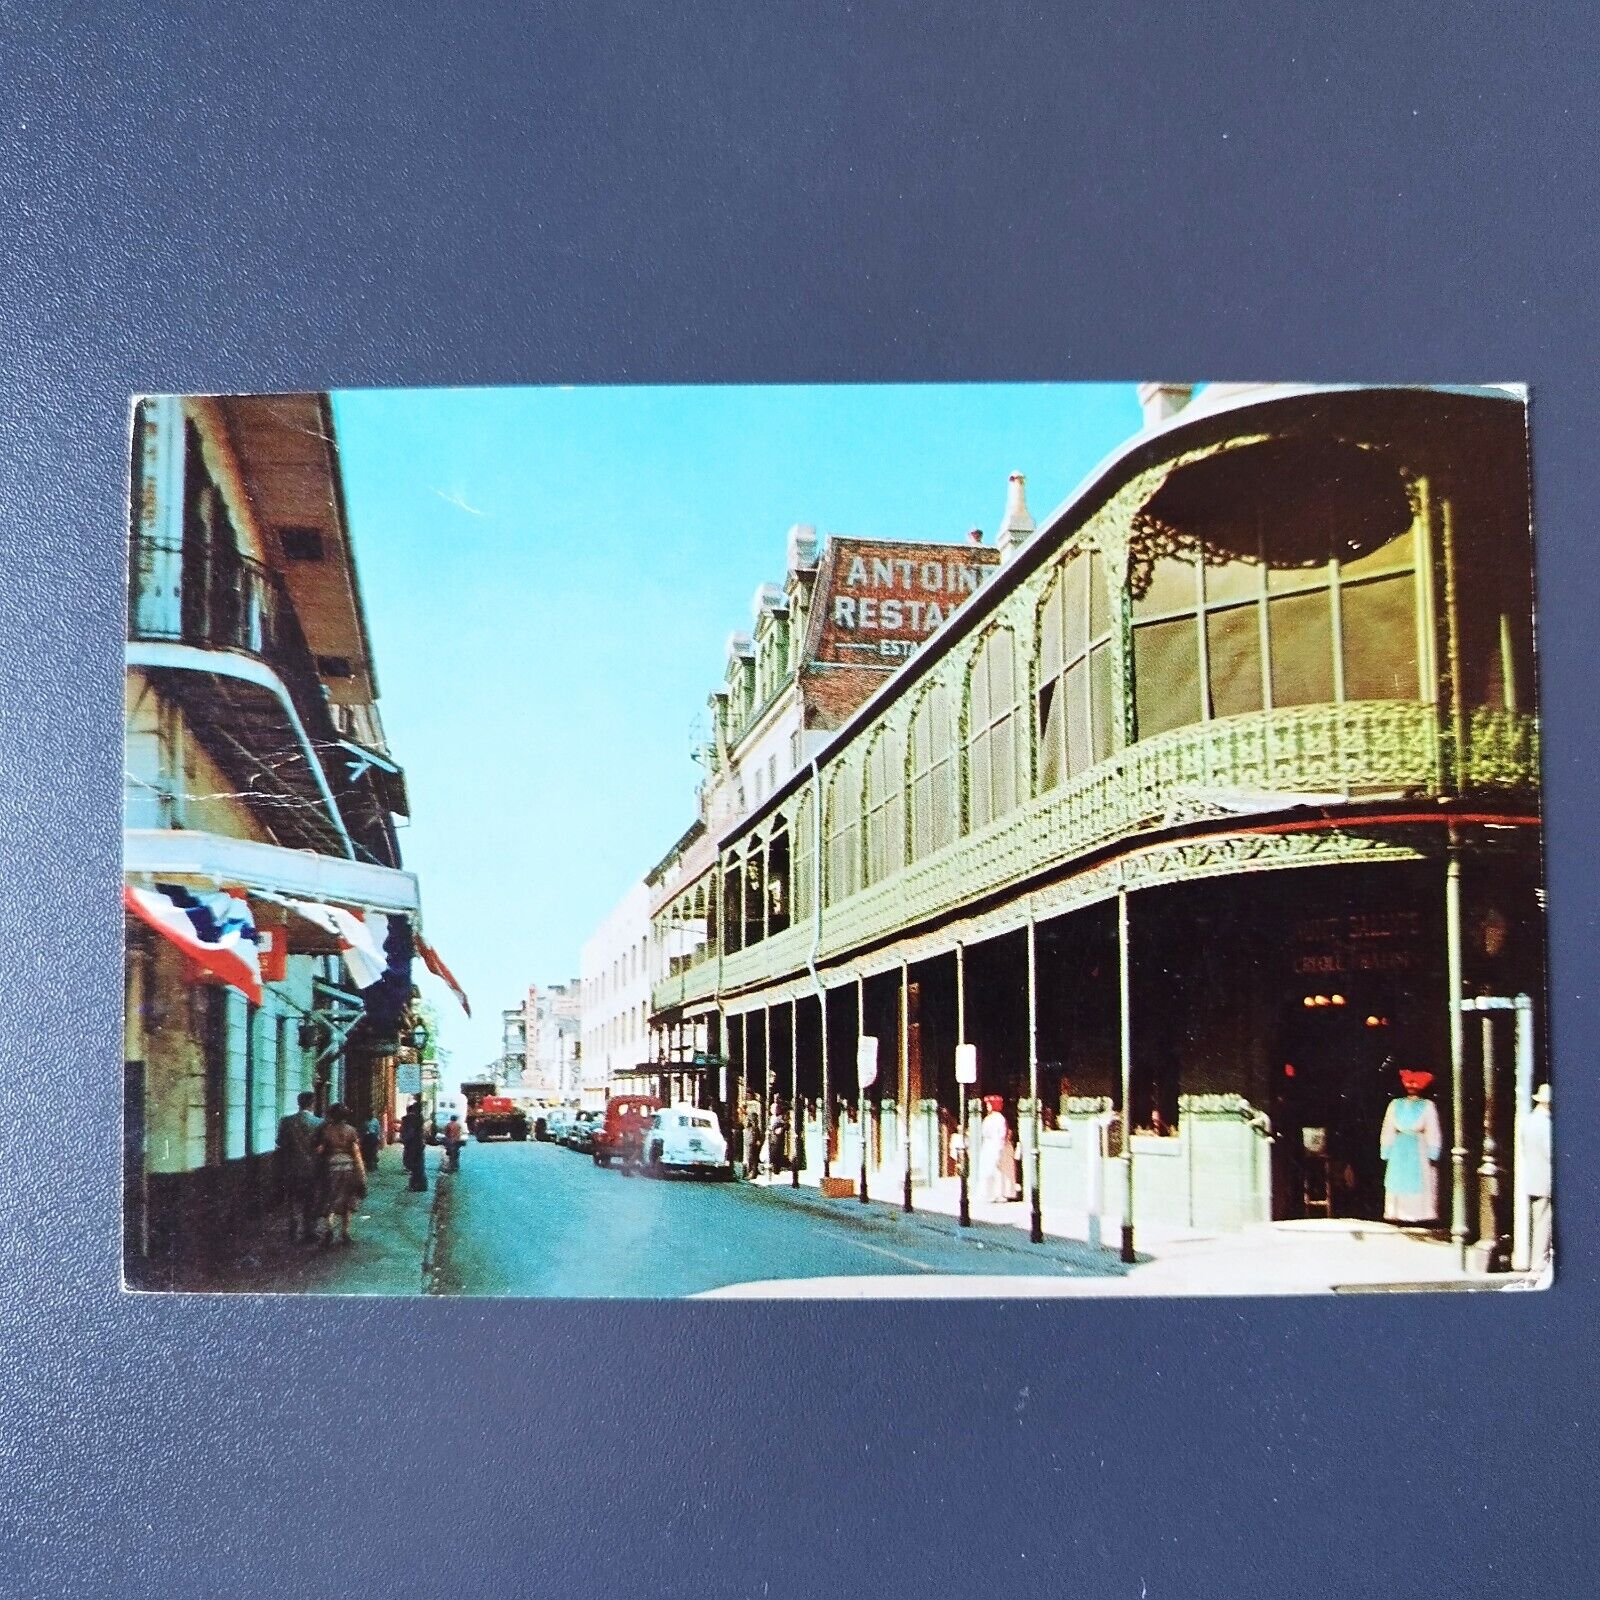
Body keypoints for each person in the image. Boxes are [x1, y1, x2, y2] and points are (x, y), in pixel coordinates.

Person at [1379, 1067, 1443, 1223]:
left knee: (1406, 1177)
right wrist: (1433, 1152)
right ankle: (1412, 1214)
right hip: (1415, 1146)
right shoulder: (1426, 1106)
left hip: (1402, 1146)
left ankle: (1402, 1213)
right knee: (1407, 1177)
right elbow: (1433, 1131)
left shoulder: (1396, 1104)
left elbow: (1387, 1130)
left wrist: (1386, 1150)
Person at [315, 1102, 367, 1246]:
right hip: (348, 1168)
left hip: (331, 1168)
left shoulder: (326, 1130)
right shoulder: (352, 1131)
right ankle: (345, 1232)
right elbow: (356, 1153)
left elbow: (320, 1150)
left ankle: (329, 1229)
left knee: (331, 1199)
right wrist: (362, 1173)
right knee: (347, 1200)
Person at [275, 1090, 323, 1244]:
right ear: (312, 1103)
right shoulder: (319, 1123)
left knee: (292, 1199)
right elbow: (322, 1148)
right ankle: (309, 1231)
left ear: (299, 1103)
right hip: (312, 1168)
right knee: (310, 1200)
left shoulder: (286, 1121)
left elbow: (280, 1143)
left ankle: (293, 1228)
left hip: (291, 1167)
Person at [1519, 1082, 1553, 1274]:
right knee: (1543, 1223)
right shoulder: (1546, 1125)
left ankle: (1536, 1261)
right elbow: (1551, 1154)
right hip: (1546, 1179)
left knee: (1537, 1221)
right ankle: (1539, 1264)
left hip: (1532, 1178)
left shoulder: (1529, 1121)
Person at [978, 1094, 1010, 1203]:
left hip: (995, 1146)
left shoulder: (999, 1119)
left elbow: (1001, 1135)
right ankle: (988, 1193)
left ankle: (998, 1194)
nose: (987, 1106)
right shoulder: (989, 1118)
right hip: (987, 1146)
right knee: (987, 1170)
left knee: (996, 1170)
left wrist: (999, 1150)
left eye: (989, 1104)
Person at [399, 1098, 428, 1193]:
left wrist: (405, 1139)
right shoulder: (420, 1118)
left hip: (413, 1145)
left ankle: (416, 1184)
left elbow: (410, 1132)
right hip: (418, 1144)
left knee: (414, 1164)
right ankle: (417, 1184)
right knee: (418, 1165)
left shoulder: (413, 1119)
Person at [742, 1100, 764, 1181]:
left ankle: (752, 1173)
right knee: (749, 1158)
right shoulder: (750, 1125)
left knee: (752, 1158)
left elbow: (756, 1132)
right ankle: (750, 1172)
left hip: (751, 1141)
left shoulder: (754, 1127)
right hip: (749, 1141)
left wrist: (757, 1140)